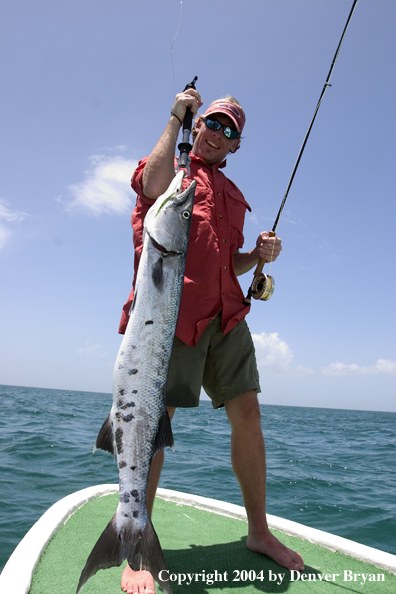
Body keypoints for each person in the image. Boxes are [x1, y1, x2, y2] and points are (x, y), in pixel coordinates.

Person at [118, 88, 304, 594]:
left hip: (228, 319)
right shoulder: (172, 176)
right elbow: (149, 185)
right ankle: (135, 542)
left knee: (249, 415)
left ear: (237, 144)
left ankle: (259, 533)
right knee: (154, 425)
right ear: (198, 125)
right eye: (213, 123)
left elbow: (229, 264)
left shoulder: (234, 194)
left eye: (230, 131)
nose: (219, 134)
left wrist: (258, 255)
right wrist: (176, 114)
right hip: (171, 319)